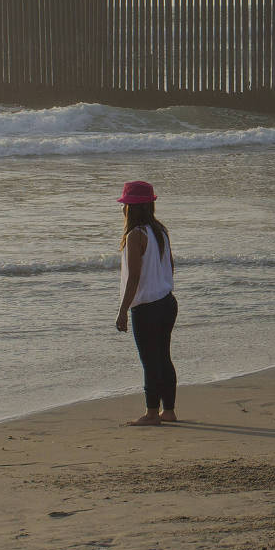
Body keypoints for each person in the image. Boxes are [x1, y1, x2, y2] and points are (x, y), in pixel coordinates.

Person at [113, 181, 178, 427]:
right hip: (167, 301)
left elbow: (134, 278)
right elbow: (170, 267)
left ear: (130, 208)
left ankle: (152, 413)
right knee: (163, 356)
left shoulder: (134, 236)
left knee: (150, 360)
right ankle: (168, 410)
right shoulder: (160, 231)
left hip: (147, 306)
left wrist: (122, 310)